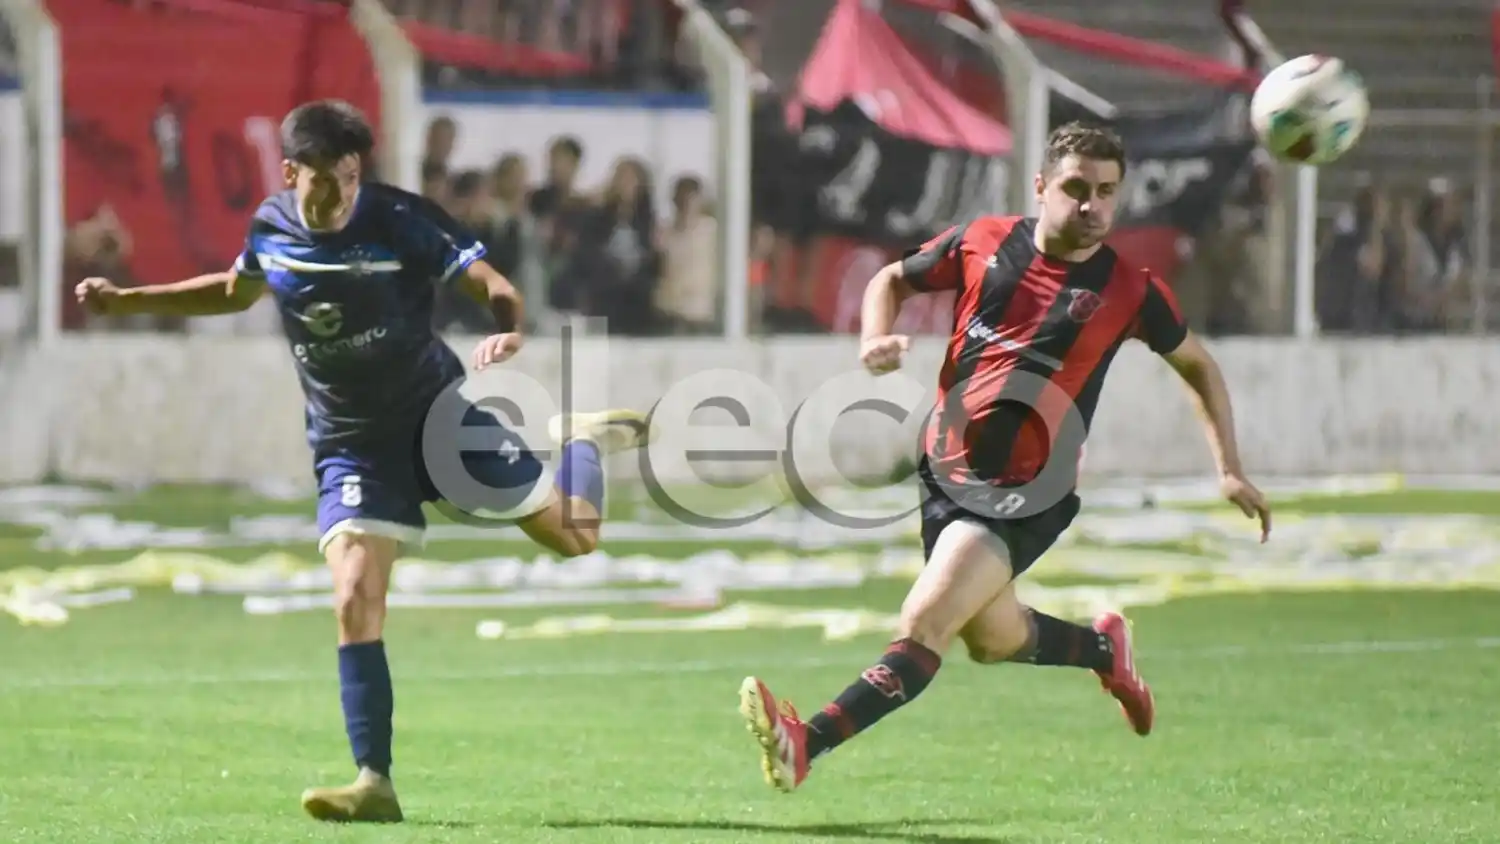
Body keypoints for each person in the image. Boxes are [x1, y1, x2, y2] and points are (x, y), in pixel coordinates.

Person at [74, 100, 654, 822]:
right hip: (351, 443)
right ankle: (373, 780)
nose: (343, 194)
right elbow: (232, 290)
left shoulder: (399, 219)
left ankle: (579, 446)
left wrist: (509, 328)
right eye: (327, 179)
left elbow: (492, 284)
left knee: (576, 536)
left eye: (351, 177)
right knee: (353, 593)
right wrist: (128, 301)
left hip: (438, 421)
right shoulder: (271, 227)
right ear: (292, 173)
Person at [737, 122, 1272, 793]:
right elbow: (891, 279)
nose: (1093, 205)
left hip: (1027, 491)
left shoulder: (1130, 289)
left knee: (925, 623)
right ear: (1041, 187)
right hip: (946, 470)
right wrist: (874, 337)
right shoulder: (982, 241)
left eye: (1107, 191)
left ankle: (805, 743)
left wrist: (1229, 467)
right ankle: (1104, 649)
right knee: (991, 638)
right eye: (1076, 188)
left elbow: (1200, 366)